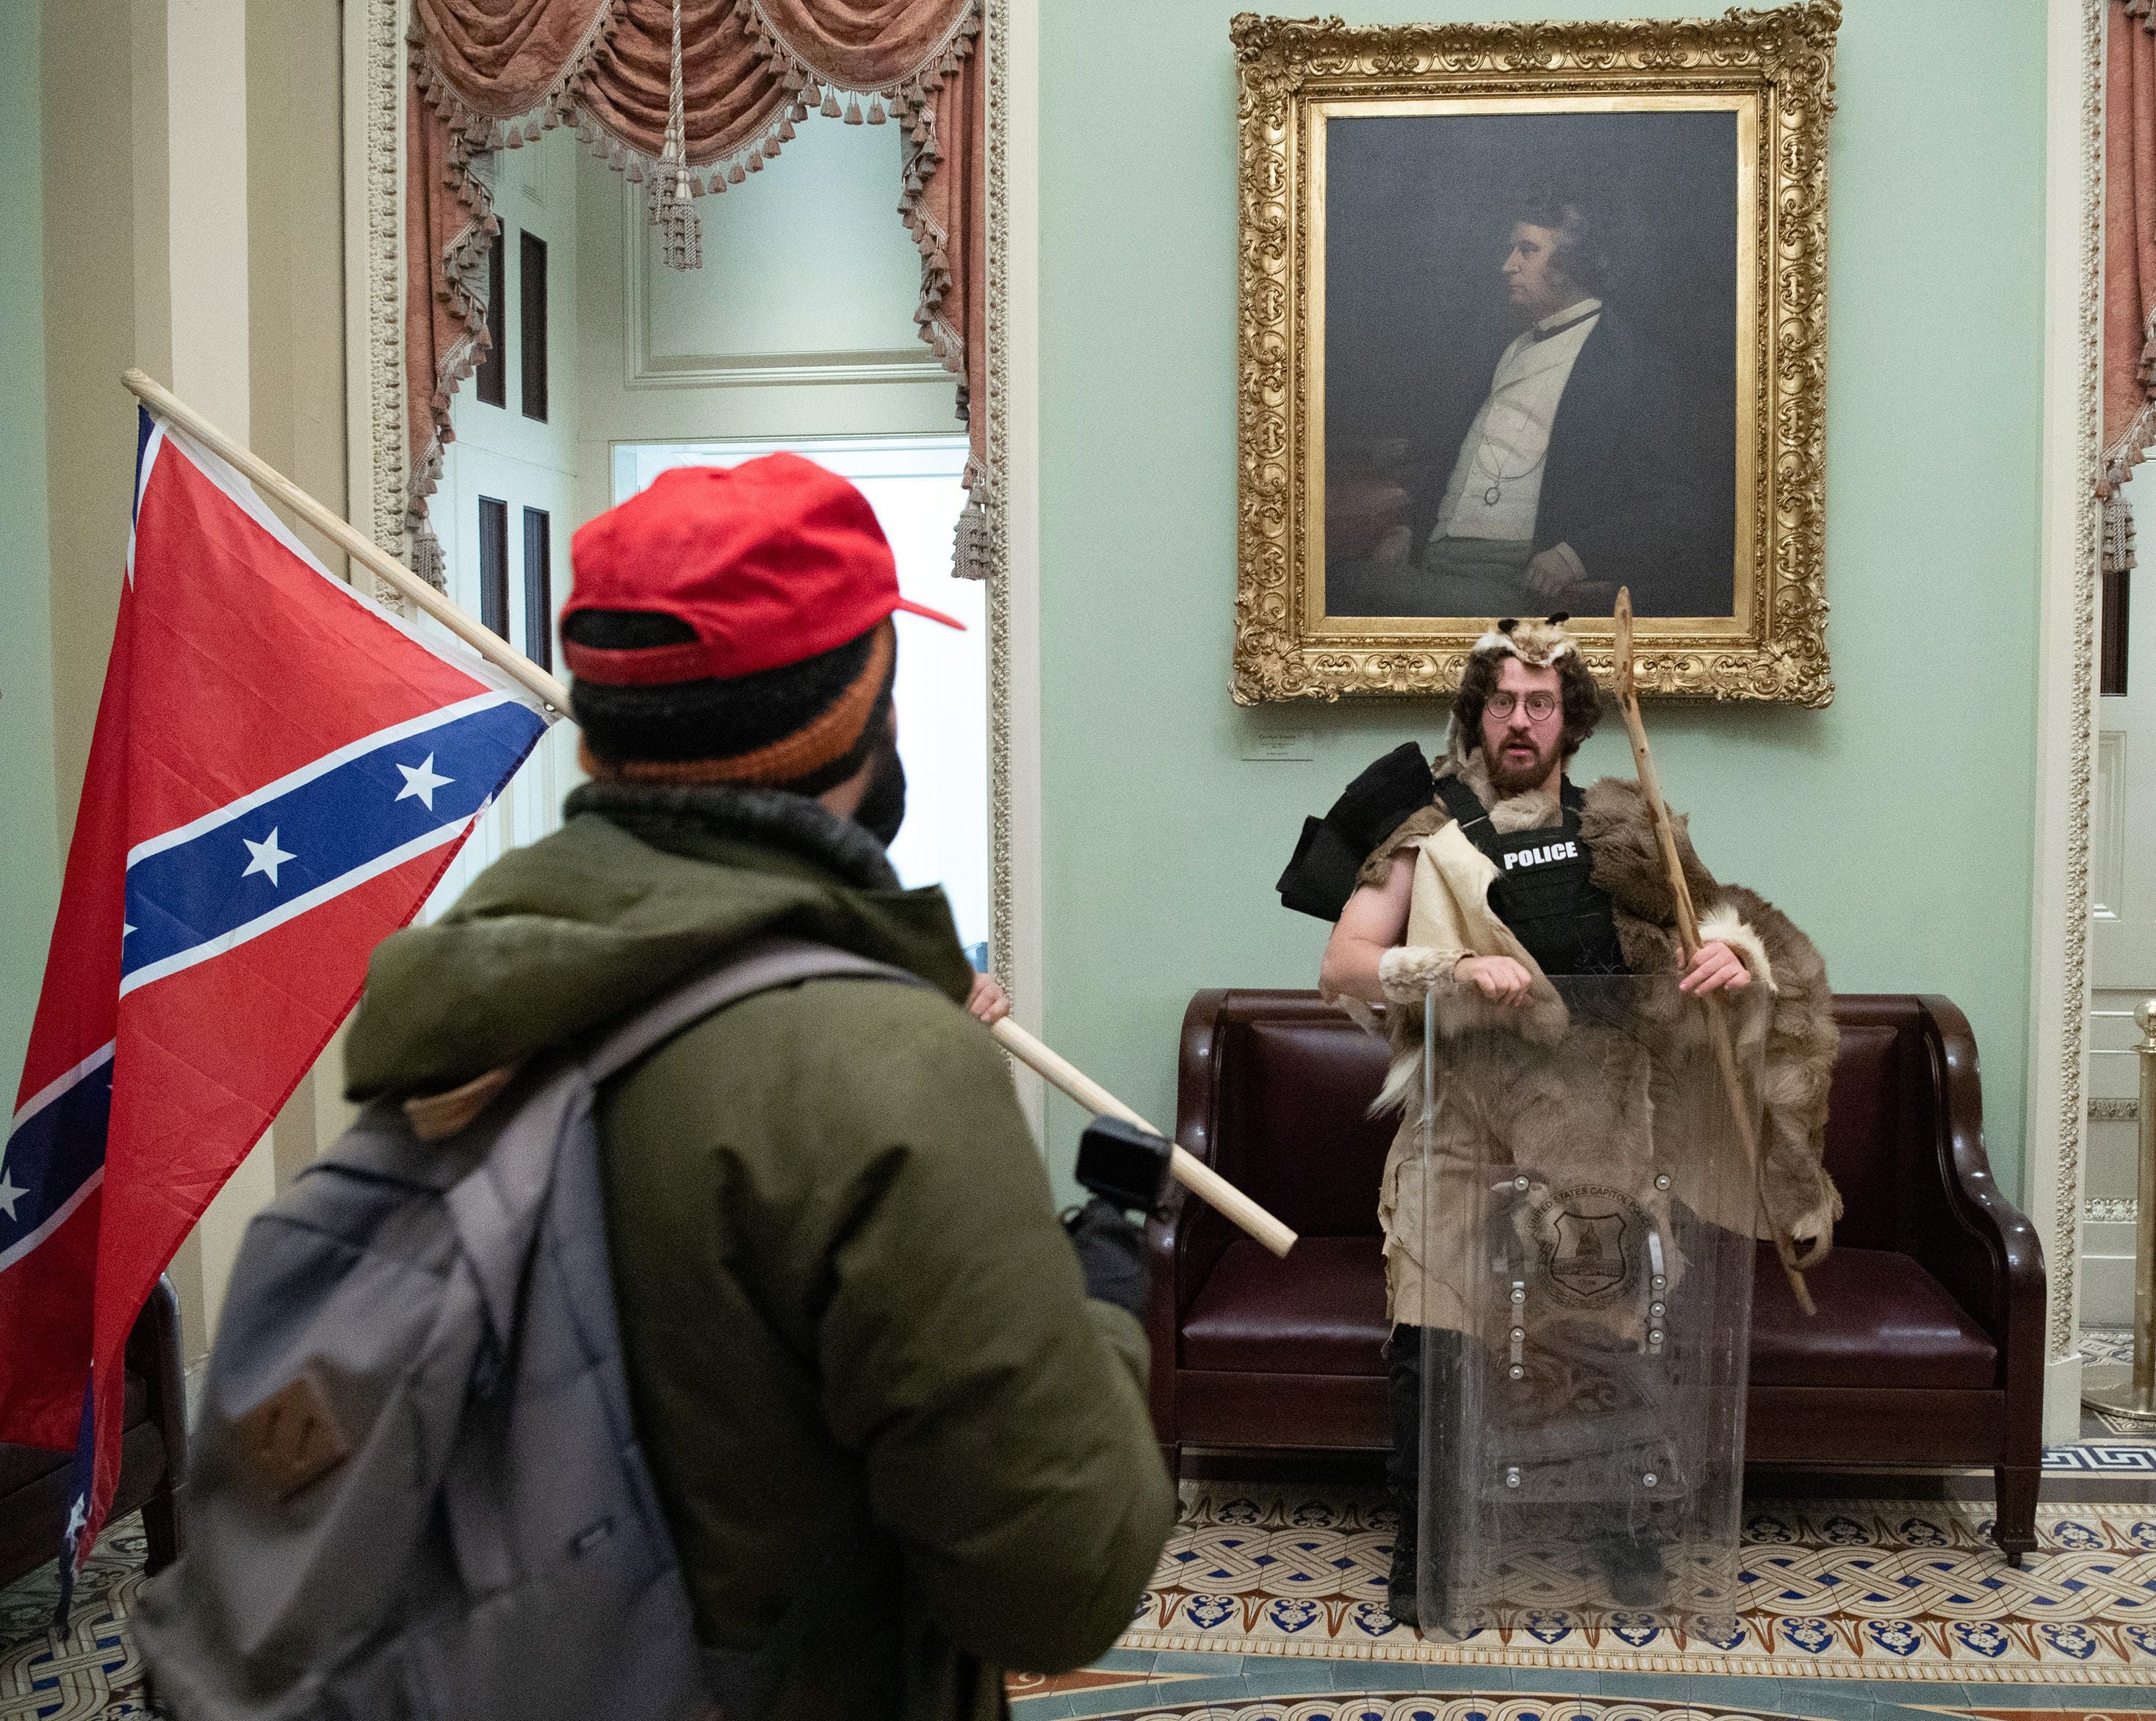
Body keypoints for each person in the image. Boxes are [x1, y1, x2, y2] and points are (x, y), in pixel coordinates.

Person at [342, 453, 1176, 1720]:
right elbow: (1056, 1583)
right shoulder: (885, 1067)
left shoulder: (463, 1001)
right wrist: (1105, 1306)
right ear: (861, 721)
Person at [1285, 615, 1839, 1626]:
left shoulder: (1624, 828)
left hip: (1602, 1120)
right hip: (1463, 1110)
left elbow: (1709, 926)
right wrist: (1450, 966)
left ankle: (1623, 1523)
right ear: (1478, 711)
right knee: (1431, 1320)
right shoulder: (1428, 829)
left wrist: (1729, 959)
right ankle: (1424, 1537)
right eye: (1503, 700)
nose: (1521, 719)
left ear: (1571, 719)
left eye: (1541, 702)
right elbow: (1344, 965)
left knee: (1614, 1318)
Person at [1335, 190, 1720, 618]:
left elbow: (1678, 503)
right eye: (1511, 249)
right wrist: (1409, 529)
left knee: (1343, 586)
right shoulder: (1509, 349)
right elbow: (1457, 457)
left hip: (1515, 578)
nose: (1508, 265)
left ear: (1572, 263)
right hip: (1432, 558)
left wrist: (1575, 558)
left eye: (1529, 250)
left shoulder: (1630, 362)